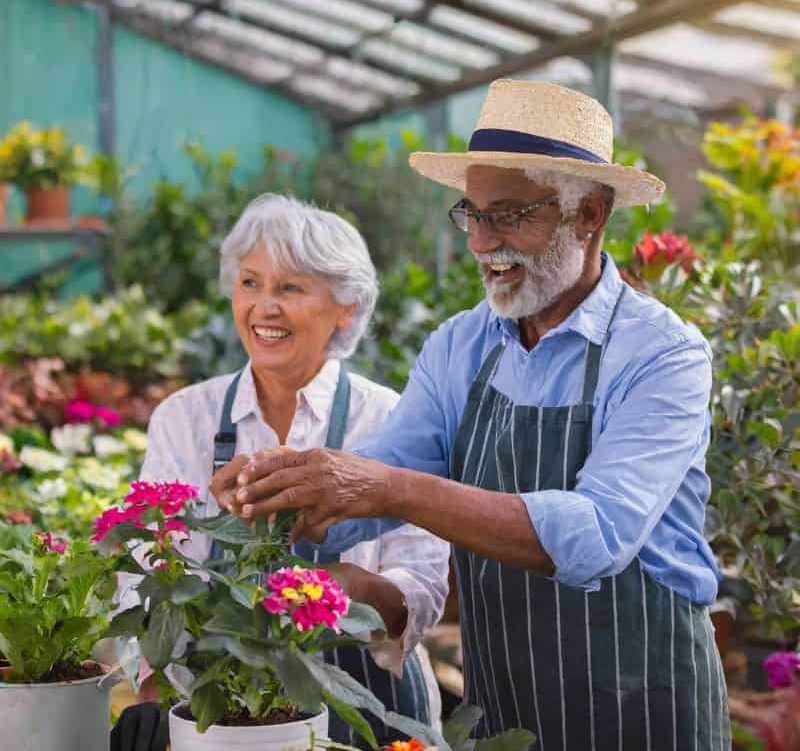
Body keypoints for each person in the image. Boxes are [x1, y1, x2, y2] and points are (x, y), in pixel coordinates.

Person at [214, 80, 731, 750]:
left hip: (641, 706)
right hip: (502, 706)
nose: (484, 242)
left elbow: (596, 535)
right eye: (473, 214)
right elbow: (379, 478)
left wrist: (382, 487)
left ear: (590, 215)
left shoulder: (662, 355)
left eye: (512, 214)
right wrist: (283, 489)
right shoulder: (464, 344)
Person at [124, 194, 449, 745]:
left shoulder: (390, 420)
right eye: (250, 283)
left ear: (345, 308)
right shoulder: (188, 417)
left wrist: (350, 592)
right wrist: (151, 687)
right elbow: (145, 573)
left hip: (365, 707)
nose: (264, 307)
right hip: (217, 714)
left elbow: (421, 588)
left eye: (290, 288)